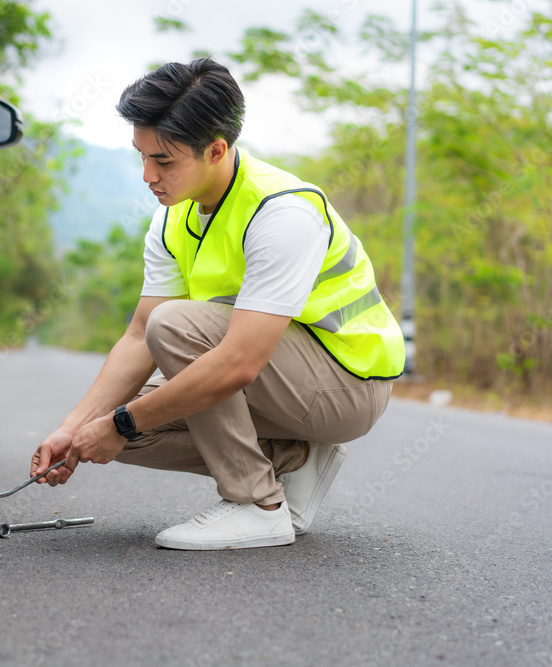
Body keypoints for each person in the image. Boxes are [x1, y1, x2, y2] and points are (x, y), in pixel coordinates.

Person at [31, 57, 404, 550]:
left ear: (216, 149)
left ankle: (257, 505)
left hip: (346, 385)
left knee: (162, 350)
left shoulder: (282, 211)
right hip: (281, 381)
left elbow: (237, 363)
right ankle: (294, 458)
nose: (147, 175)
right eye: (141, 156)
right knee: (114, 430)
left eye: (163, 160)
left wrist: (119, 422)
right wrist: (73, 429)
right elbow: (139, 334)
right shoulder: (171, 219)